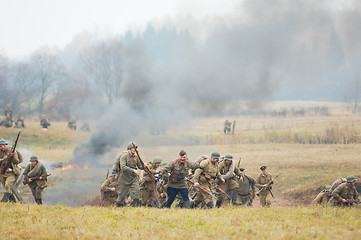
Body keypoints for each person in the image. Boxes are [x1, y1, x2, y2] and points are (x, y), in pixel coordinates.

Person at [115, 142, 145, 207]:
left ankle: (134, 208)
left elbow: (140, 166)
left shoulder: (136, 157)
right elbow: (123, 167)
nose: (135, 149)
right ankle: (117, 207)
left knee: (136, 192)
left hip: (133, 178)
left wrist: (144, 166)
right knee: (121, 197)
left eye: (135, 148)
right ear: (129, 149)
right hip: (124, 179)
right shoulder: (124, 157)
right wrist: (134, 170)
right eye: (133, 148)